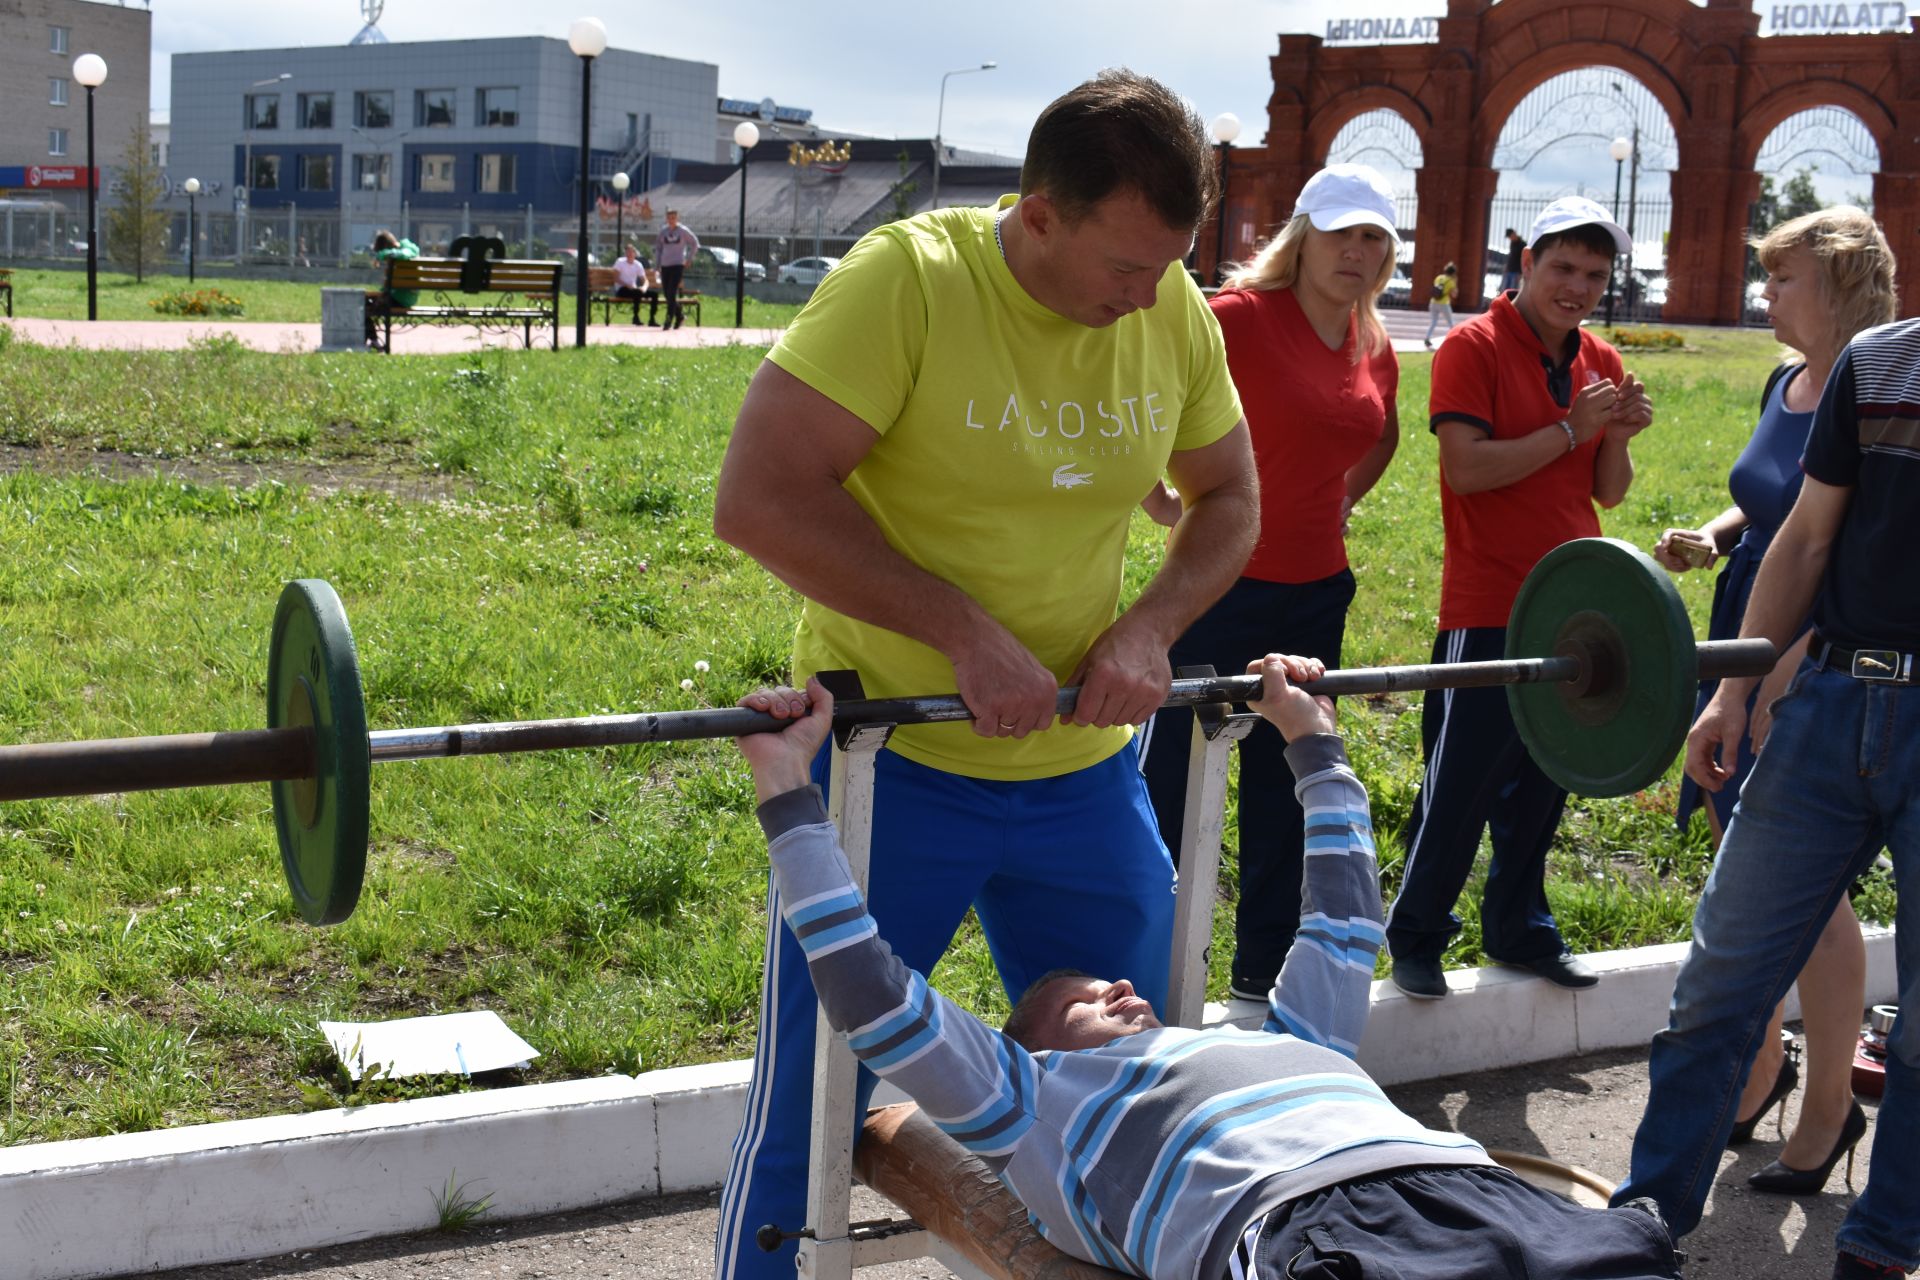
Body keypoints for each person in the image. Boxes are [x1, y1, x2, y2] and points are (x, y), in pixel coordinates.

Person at [709, 69, 1258, 1280]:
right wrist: (959, 629)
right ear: (1040, 212)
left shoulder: (1171, 310)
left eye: (1169, 264)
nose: (1146, 294)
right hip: (893, 766)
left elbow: (1230, 499)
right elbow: (757, 499)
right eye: (1125, 266)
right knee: (815, 1106)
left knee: (1149, 1091)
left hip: (1080, 774)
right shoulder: (908, 283)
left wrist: (1152, 624)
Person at [735, 659, 1685, 1280]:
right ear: (1030, 1051)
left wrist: (1313, 741)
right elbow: (869, 991)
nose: (1118, 987)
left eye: (1110, 986)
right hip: (1307, 1235)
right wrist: (787, 792)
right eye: (1079, 1002)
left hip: (1464, 1182)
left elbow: (1346, 917)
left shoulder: (1293, 1044)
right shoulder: (1028, 1103)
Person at [1617, 308, 1920, 1279]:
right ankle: (1639, 1229)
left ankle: (1879, 1248)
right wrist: (1736, 691)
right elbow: (1804, 538)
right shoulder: (1877, 364)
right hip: (1830, 704)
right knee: (1719, 984)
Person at [1650, 208, 1893, 1186]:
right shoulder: (1781, 379)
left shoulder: (1875, 384)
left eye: (1782, 278)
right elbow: (1773, 495)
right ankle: (1761, 1065)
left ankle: (1828, 1100)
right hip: (1745, 633)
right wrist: (1714, 532)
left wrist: (1768, 683)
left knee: (1810, 898)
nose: (1764, 294)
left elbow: (1842, 544)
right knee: (1738, 875)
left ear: (1834, 283)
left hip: (1803, 657)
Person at [1138, 162, 1400, 1000]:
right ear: (1302, 236)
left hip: (1318, 591)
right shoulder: (1238, 318)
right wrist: (1158, 497)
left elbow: (1379, 434)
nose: (1356, 253)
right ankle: (1151, 977)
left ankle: (1262, 978)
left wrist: (1335, 502)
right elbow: (1138, 382)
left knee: (1288, 791)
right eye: (1341, 233)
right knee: (1173, 790)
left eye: (1375, 238)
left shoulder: (1375, 340)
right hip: (1215, 589)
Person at [1384, 195, 1653, 1001]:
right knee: (1458, 783)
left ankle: (1518, 928)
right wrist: (1572, 430)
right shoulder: (1471, 346)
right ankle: (1419, 933)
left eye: (1595, 275)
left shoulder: (1599, 358)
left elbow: (1605, 496)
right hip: (1489, 599)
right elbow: (1466, 469)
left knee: (1544, 785)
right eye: (1563, 267)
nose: (1577, 287)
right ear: (1526, 263)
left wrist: (1618, 439)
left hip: (1575, 602)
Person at [363, 228, 419, 347]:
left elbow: (405, 254)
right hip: (404, 297)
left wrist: (381, 255)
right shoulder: (408, 250)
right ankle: (371, 340)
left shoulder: (407, 250)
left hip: (400, 299)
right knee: (364, 301)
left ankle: (372, 341)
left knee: (362, 307)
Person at [653, 209, 699, 329]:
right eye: (669, 218)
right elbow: (658, 248)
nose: (671, 220)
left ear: (677, 218)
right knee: (668, 295)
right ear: (666, 219)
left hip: (677, 265)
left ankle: (668, 320)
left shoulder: (683, 231)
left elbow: (695, 243)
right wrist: (657, 265)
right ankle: (680, 316)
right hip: (665, 266)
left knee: (672, 292)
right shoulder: (663, 232)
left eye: (674, 218)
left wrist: (689, 259)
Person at [609, 242, 659, 325]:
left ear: (635, 253)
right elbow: (616, 278)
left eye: (631, 252)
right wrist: (628, 285)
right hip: (622, 289)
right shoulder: (620, 262)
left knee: (654, 295)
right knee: (637, 293)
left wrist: (644, 287)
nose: (629, 254)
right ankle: (635, 317)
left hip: (634, 289)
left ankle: (652, 319)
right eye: (627, 252)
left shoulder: (638, 264)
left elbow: (645, 280)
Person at [1423, 260, 1458, 348]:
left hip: (1433, 302)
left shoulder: (1439, 278)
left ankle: (1427, 338)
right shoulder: (1451, 281)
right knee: (1451, 323)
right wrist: (1455, 284)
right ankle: (1454, 339)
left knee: (1433, 322)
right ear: (1453, 273)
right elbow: (1454, 295)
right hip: (1444, 303)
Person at [1500, 227, 1525, 294]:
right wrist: (1507, 267)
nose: (1509, 238)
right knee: (1505, 290)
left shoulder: (1523, 245)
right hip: (1509, 270)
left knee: (1512, 291)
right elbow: (1511, 256)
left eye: (1510, 236)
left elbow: (1524, 259)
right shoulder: (1512, 243)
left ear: (1514, 234)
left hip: (1516, 273)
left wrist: (1520, 273)